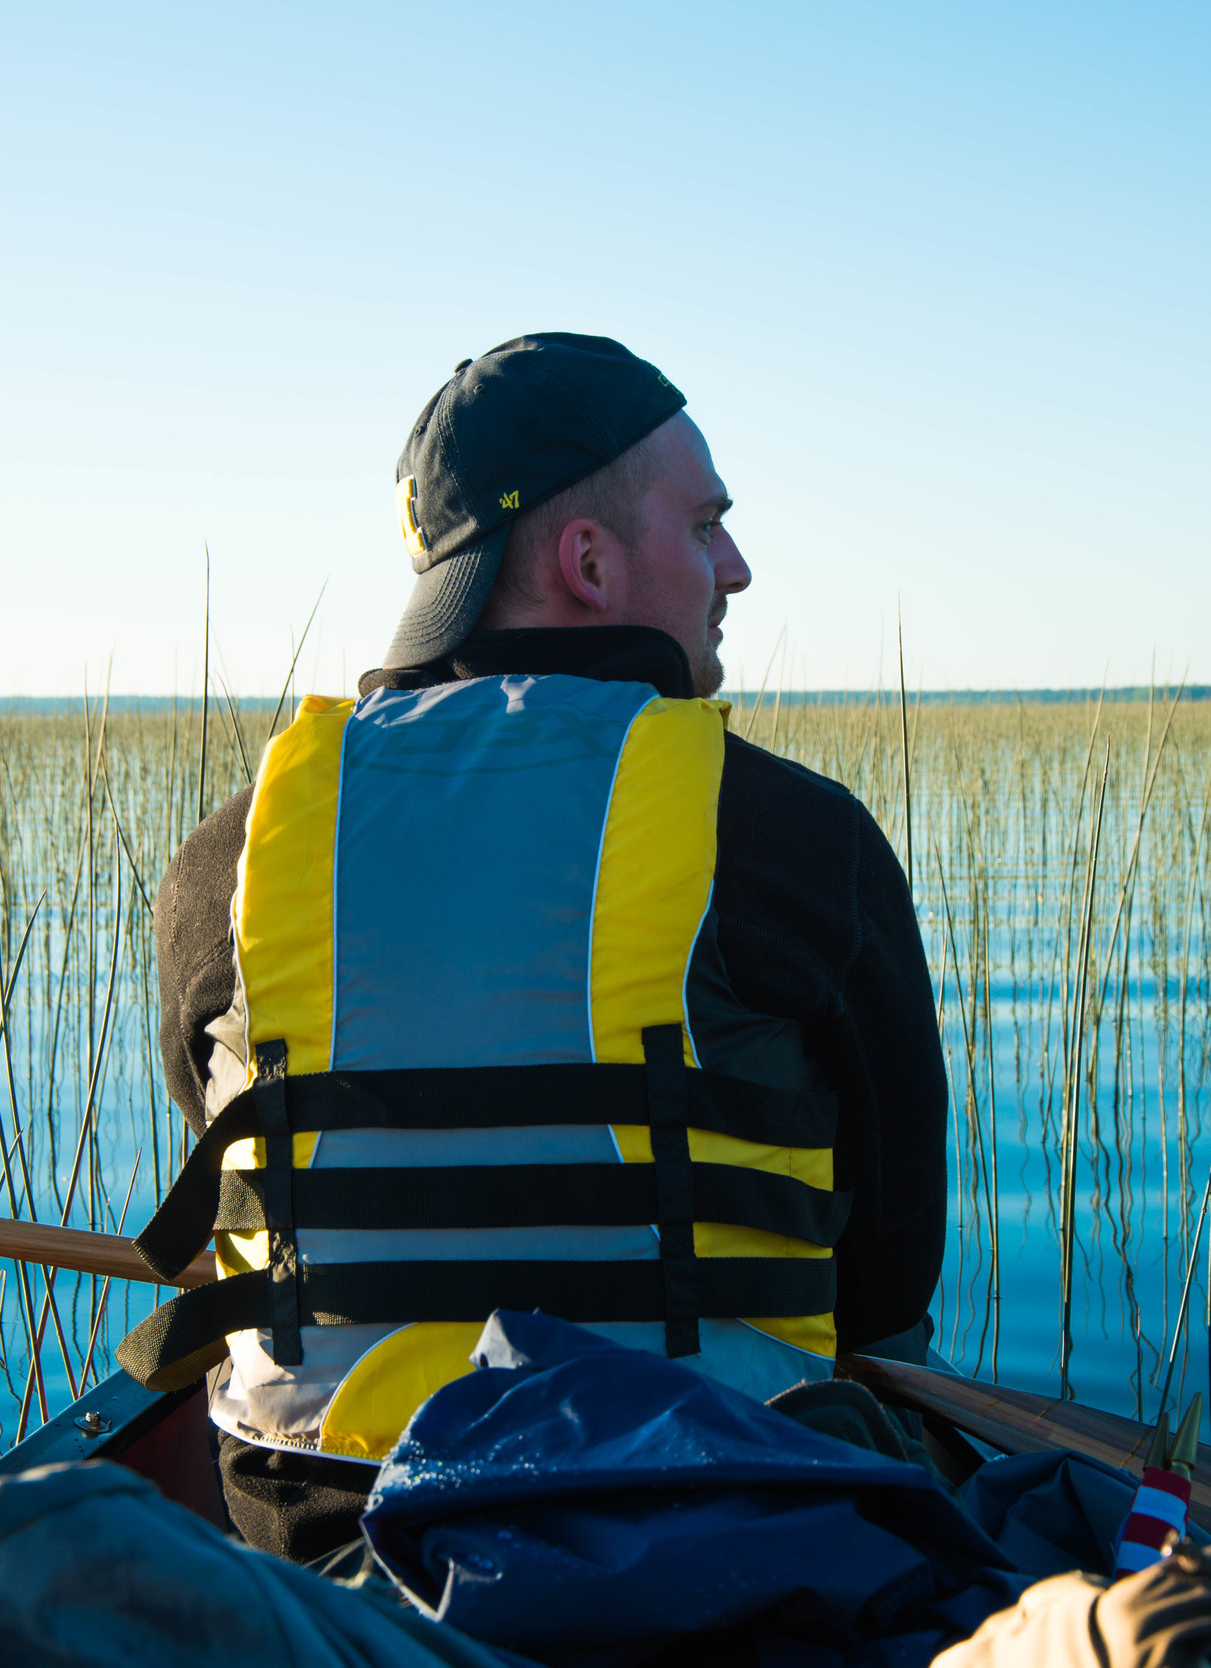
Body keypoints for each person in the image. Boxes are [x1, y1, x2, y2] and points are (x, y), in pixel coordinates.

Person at [126, 333, 948, 1563]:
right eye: (706, 525)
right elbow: (885, 1291)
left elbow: (231, 1158)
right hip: (724, 1523)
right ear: (588, 560)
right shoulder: (796, 841)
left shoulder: (221, 865)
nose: (736, 567)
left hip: (317, 1521)